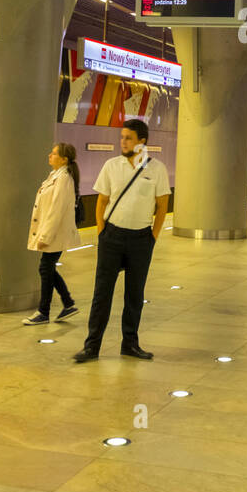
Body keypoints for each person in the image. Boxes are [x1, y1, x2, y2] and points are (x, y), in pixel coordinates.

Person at [74, 120, 170, 362]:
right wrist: (102, 232)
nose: (123, 141)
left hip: (141, 239)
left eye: (128, 137)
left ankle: (130, 344)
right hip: (112, 238)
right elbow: (102, 202)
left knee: (135, 295)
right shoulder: (111, 166)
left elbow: (162, 206)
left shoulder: (157, 169)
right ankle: (91, 346)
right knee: (101, 294)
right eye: (122, 137)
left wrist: (153, 237)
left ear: (142, 141)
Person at [24, 143, 81, 325]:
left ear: (64, 159)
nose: (50, 155)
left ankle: (44, 312)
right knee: (47, 268)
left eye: (54, 153)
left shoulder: (64, 178)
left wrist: (45, 237)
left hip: (55, 233)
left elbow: (56, 210)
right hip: (53, 232)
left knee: (45, 268)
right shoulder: (55, 176)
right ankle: (68, 303)